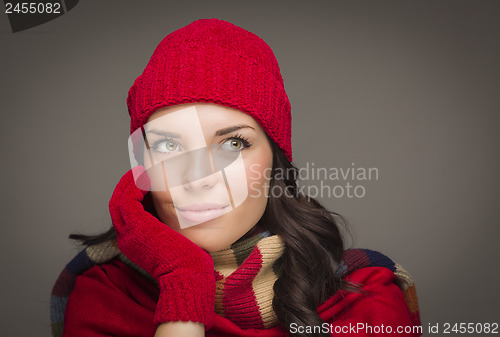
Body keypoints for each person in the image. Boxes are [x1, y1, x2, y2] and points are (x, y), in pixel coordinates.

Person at [50, 18, 422, 337]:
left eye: (232, 143)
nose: (198, 178)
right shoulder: (103, 294)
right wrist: (183, 283)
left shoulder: (365, 297)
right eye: (167, 146)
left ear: (275, 161)